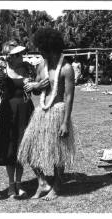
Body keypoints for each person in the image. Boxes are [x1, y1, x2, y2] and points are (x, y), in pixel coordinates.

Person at [17, 28, 76, 201]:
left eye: (42, 49)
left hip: (58, 111)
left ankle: (56, 186)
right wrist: (36, 87)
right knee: (28, 151)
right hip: (41, 112)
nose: (40, 52)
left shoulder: (66, 68)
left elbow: (69, 96)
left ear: (51, 48)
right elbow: (36, 91)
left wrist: (65, 122)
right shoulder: (41, 65)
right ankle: (42, 182)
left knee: (58, 152)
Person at [0, 40, 36, 198]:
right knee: (10, 148)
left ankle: (19, 184)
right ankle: (11, 185)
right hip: (8, 111)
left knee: (21, 146)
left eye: (21, 53)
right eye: (17, 54)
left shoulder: (28, 68)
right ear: (10, 56)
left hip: (25, 109)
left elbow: (36, 92)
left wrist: (34, 85)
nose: (21, 56)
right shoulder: (1, 70)